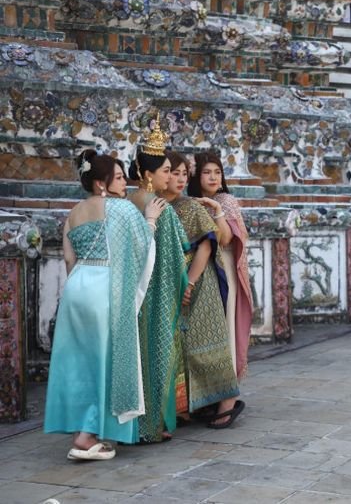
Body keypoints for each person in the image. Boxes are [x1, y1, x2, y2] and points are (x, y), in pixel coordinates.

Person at [44, 150, 165, 460]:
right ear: (101, 183)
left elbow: (69, 260)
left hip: (76, 287)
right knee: (104, 362)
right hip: (104, 287)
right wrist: (151, 219)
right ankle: (87, 436)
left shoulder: (74, 212)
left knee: (80, 362)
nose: (125, 183)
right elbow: (142, 246)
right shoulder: (120, 209)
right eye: (119, 177)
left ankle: (82, 431)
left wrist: (80, 288)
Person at [163, 151, 243, 429]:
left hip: (207, 276)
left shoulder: (197, 206)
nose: (180, 179)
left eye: (184, 174)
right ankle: (192, 404)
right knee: (186, 344)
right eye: (174, 173)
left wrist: (190, 282)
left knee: (212, 341)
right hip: (179, 279)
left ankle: (228, 400)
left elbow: (213, 243)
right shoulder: (166, 205)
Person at [127, 120, 189, 443]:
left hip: (130, 289)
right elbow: (178, 253)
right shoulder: (159, 207)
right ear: (149, 174)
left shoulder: (128, 203)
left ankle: (133, 424)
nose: (170, 176)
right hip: (156, 292)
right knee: (158, 354)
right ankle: (151, 425)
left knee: (134, 358)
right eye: (166, 171)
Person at [187, 151, 254, 381]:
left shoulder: (226, 201)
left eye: (217, 172)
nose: (213, 177)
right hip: (198, 268)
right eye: (207, 172)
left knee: (225, 321)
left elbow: (225, 239)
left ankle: (226, 383)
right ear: (196, 176)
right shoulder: (189, 202)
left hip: (223, 266)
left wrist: (217, 210)